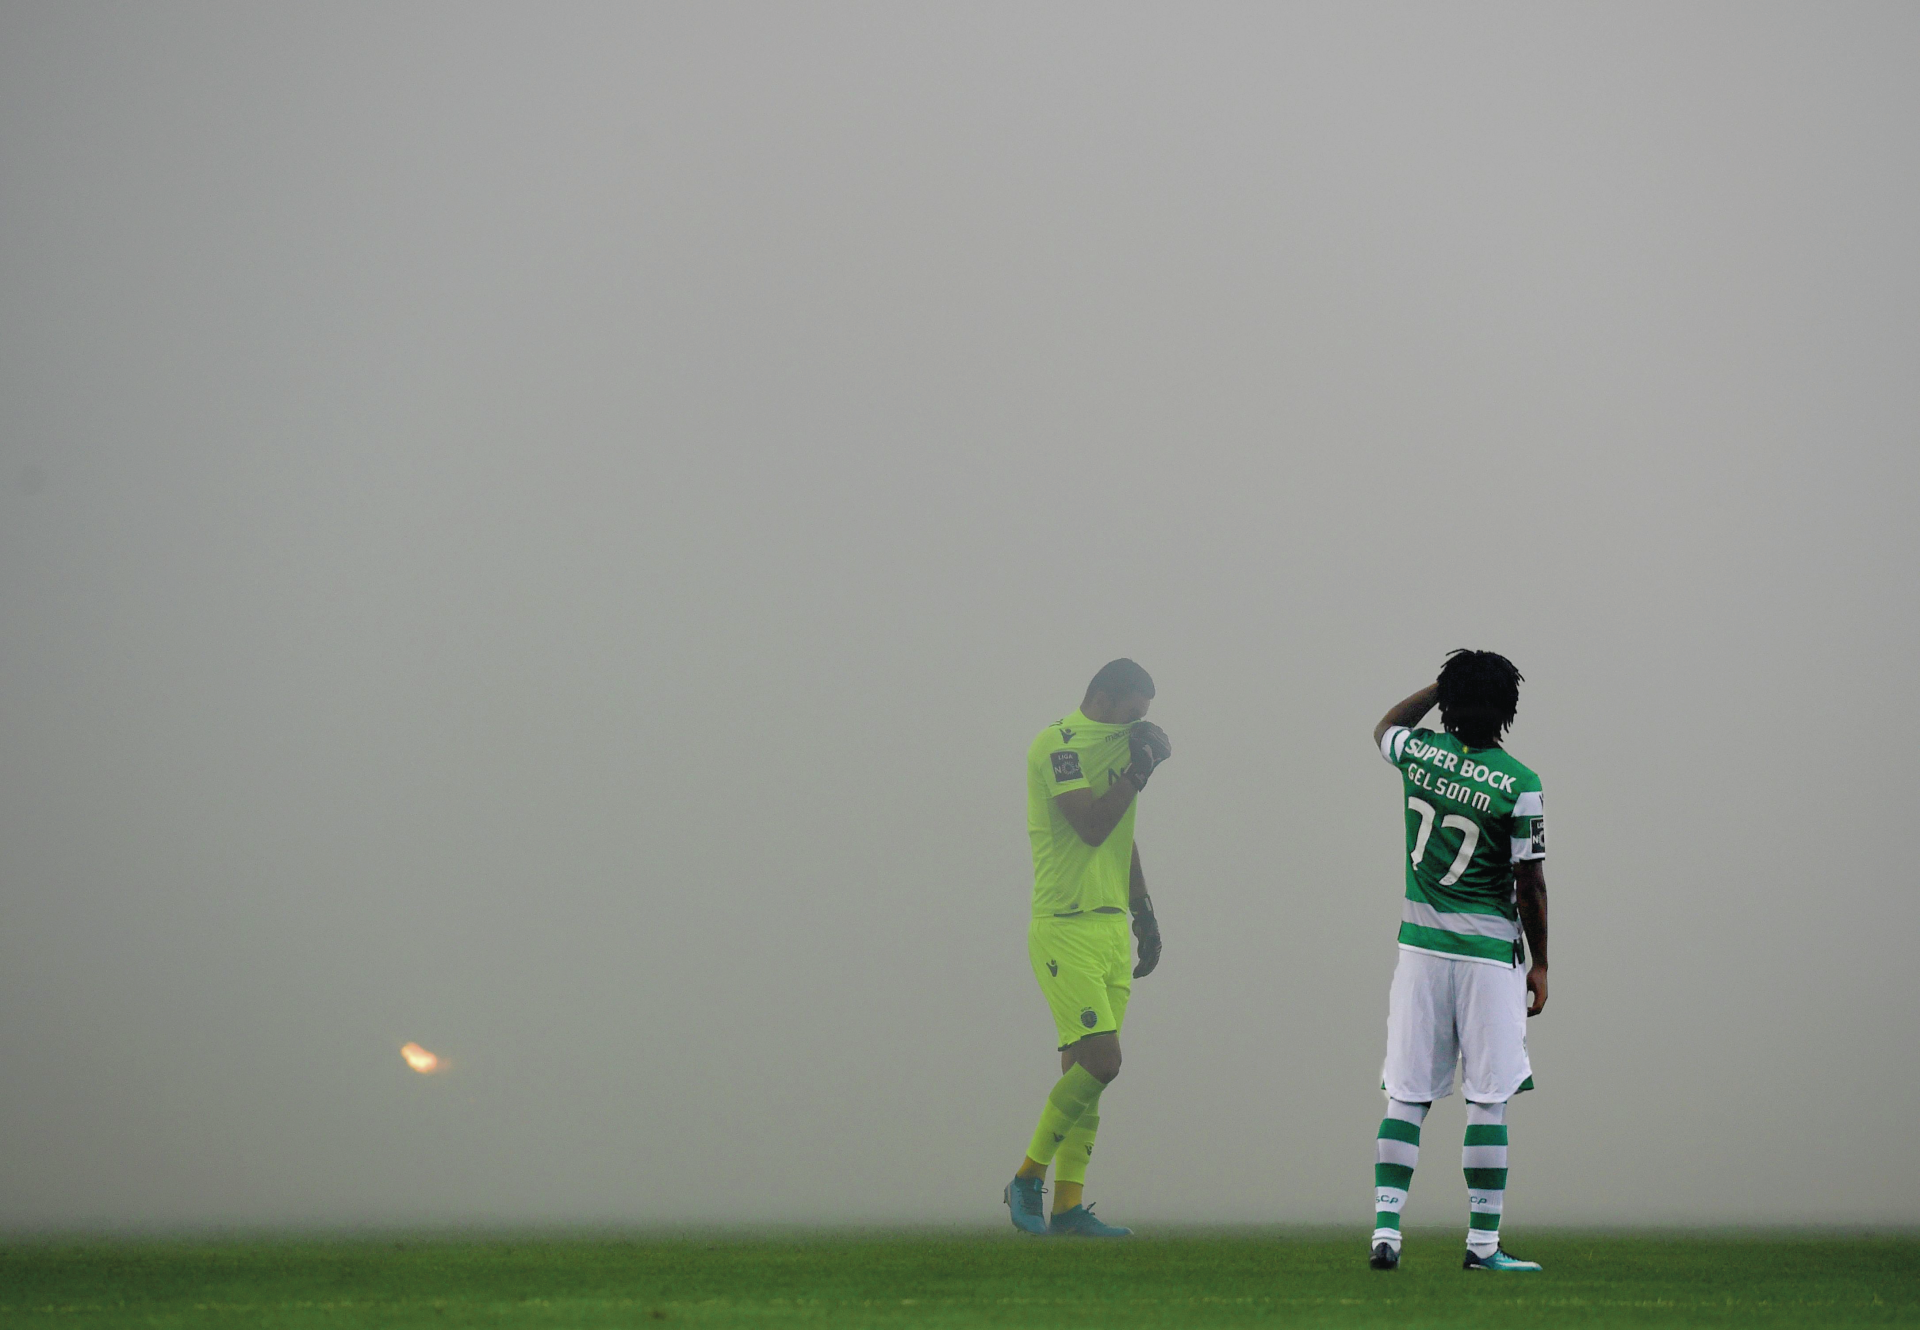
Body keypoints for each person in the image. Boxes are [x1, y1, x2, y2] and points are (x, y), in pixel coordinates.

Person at [1367, 650, 1549, 1272]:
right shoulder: (1520, 782)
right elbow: (1531, 883)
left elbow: (1384, 728)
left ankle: (1386, 1230)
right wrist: (1542, 963)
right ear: (1508, 710)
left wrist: (1437, 690)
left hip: (1419, 953)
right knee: (1487, 1098)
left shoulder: (1420, 755)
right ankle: (1482, 1246)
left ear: (1447, 702)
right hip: (1487, 958)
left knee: (1408, 1095)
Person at [1004, 658, 1171, 1237]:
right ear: (1100, 699)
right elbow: (1091, 826)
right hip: (1063, 925)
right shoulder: (1060, 745)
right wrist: (1138, 772)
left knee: (1085, 1075)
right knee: (1104, 1063)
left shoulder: (1118, 757)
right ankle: (1026, 1177)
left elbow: (1121, 840)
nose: (1137, 728)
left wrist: (1144, 914)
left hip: (1107, 929)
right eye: (1131, 715)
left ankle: (1070, 1207)